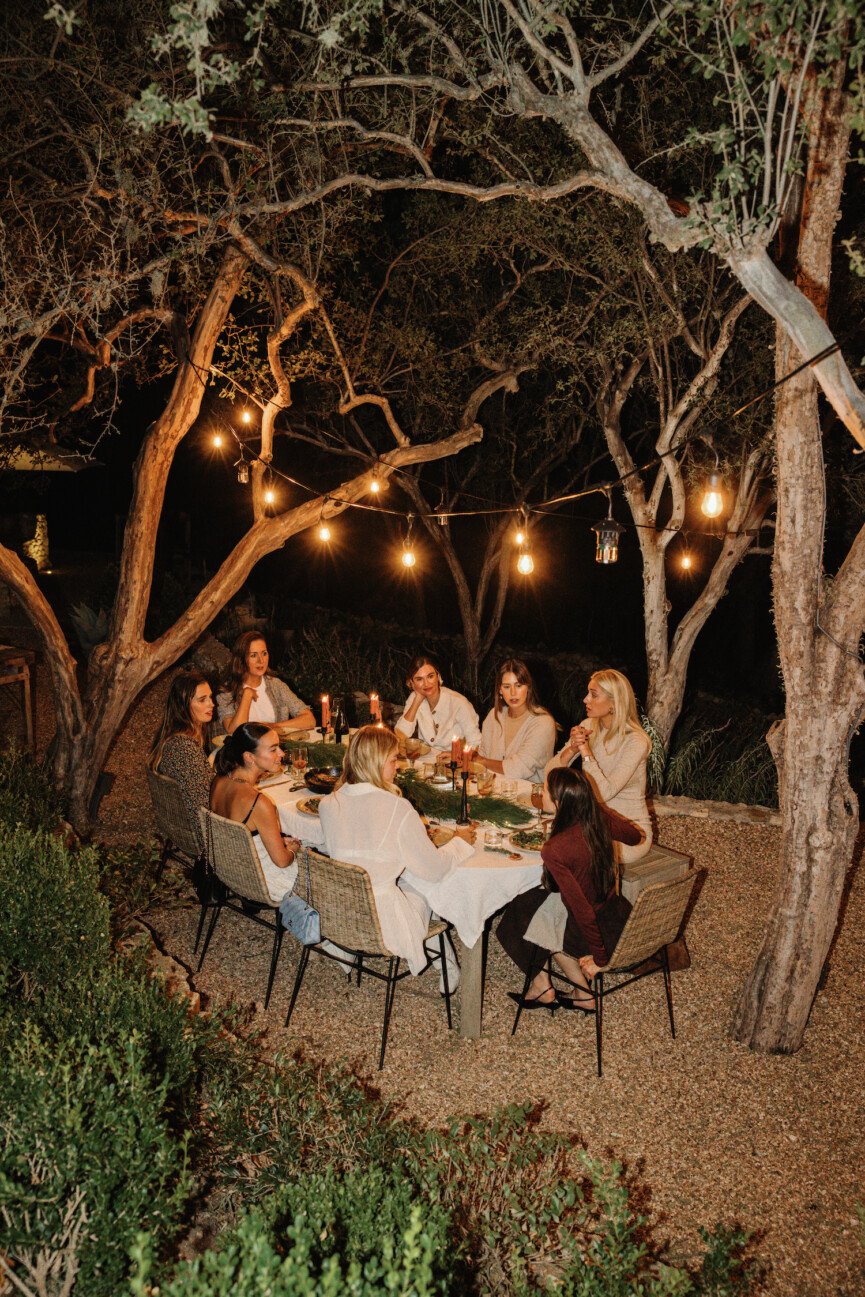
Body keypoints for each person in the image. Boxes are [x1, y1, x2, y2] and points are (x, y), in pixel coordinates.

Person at [318, 725, 476, 988]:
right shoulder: (397, 808)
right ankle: (447, 968)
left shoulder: (328, 803)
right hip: (383, 923)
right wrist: (459, 844)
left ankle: (345, 949)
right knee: (425, 884)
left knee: (406, 875)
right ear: (376, 762)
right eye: (393, 759)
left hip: (340, 912)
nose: (398, 766)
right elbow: (434, 869)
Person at [496, 766, 644, 1010]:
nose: (540, 793)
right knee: (523, 903)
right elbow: (634, 836)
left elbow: (582, 911)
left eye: (544, 790)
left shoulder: (555, 849)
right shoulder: (596, 820)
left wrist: (600, 959)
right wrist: (597, 811)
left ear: (559, 801)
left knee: (513, 926)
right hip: (616, 914)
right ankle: (572, 992)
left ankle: (550, 988)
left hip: (595, 932)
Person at [545, 668, 652, 863]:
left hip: (628, 832)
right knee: (545, 841)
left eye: (593, 695)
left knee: (568, 852)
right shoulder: (589, 724)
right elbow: (550, 772)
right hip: (592, 823)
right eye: (588, 693)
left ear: (614, 703)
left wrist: (586, 752)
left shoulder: (636, 741)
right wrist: (572, 749)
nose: (586, 699)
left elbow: (604, 792)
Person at [209, 723, 301, 904]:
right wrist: (292, 848)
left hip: (233, 871)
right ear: (249, 757)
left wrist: (278, 841)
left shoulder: (219, 780)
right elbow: (282, 862)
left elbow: (240, 835)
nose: (281, 754)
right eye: (273, 749)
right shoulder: (259, 803)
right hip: (264, 882)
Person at [148, 671, 215, 847]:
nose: (212, 704)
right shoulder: (183, 748)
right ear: (184, 706)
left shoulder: (172, 736)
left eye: (210, 697)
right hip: (206, 836)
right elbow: (204, 806)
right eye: (202, 700)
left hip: (181, 824)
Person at [217, 630, 315, 736]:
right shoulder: (227, 691)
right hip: (243, 752)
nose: (261, 661)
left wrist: (272, 727)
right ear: (241, 659)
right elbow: (233, 731)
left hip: (275, 750)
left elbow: (309, 720)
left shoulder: (276, 685)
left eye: (264, 653)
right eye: (253, 655)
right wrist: (247, 695)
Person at [478, 659, 556, 785]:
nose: (513, 693)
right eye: (507, 686)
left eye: (519, 685)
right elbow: (483, 754)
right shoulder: (494, 715)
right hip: (494, 792)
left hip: (530, 798)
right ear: (500, 690)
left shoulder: (543, 722)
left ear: (528, 687)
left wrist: (480, 761)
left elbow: (518, 768)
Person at [394, 654, 481, 750]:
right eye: (419, 679)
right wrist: (417, 701)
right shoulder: (414, 698)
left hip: (453, 761)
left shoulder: (458, 702)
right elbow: (401, 734)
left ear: (438, 676)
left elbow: (476, 743)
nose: (426, 684)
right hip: (424, 761)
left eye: (430, 676)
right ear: (411, 682)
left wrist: (454, 756)